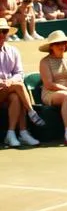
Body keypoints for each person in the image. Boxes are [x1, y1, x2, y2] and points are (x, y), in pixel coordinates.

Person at [1, 18, 45, 147]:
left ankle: (14, 134)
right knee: (19, 86)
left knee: (16, 97)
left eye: (4, 31)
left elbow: (19, 73)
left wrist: (10, 82)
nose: (2, 34)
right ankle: (31, 113)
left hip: (9, 90)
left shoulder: (13, 51)